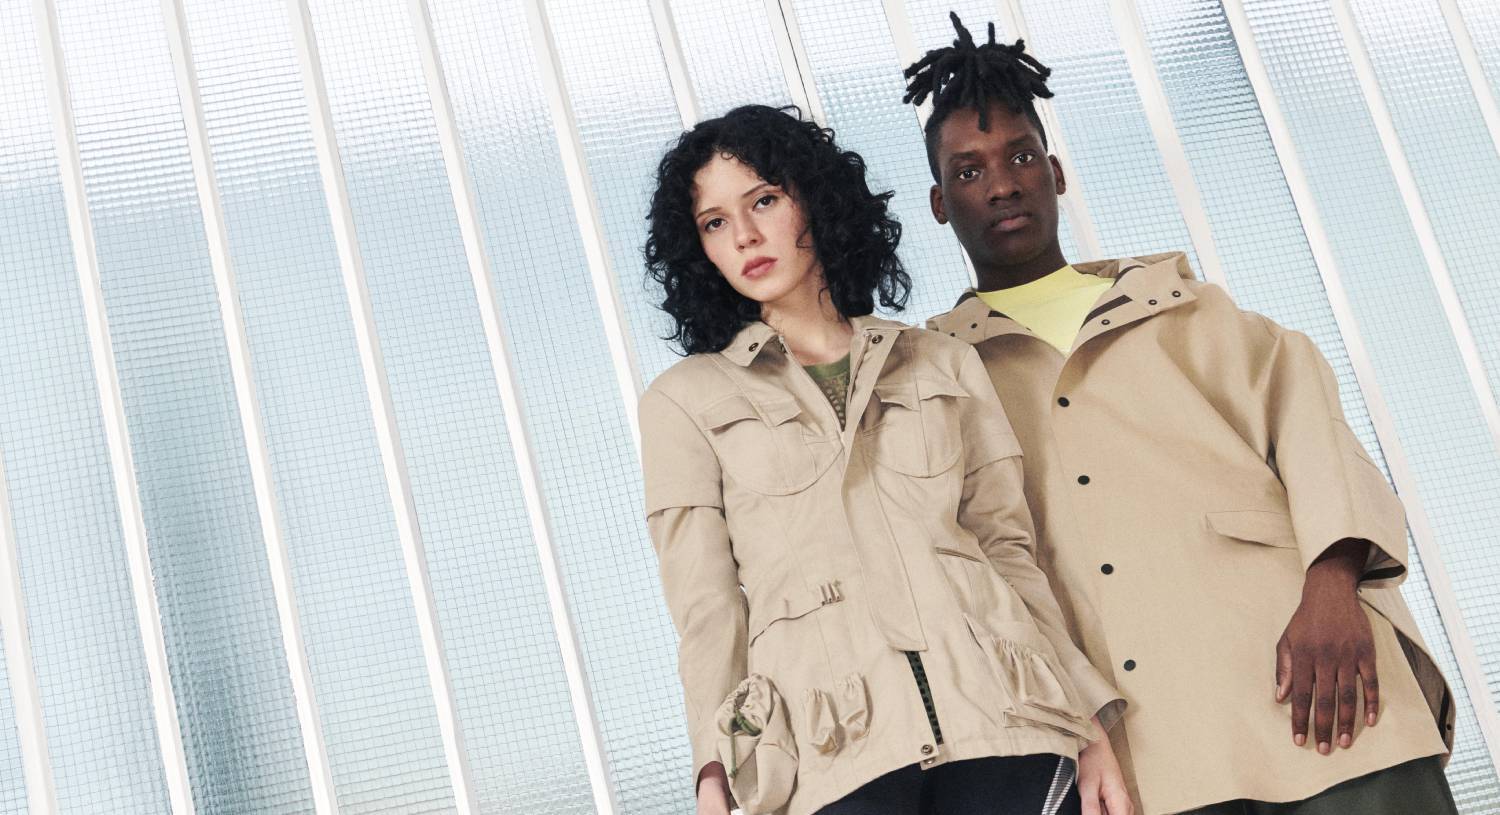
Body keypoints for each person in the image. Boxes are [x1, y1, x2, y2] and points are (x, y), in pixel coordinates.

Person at [903, 15, 1459, 815]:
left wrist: (1334, 585)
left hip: (1322, 701)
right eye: (969, 170)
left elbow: (1319, 441)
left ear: (1056, 172)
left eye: (1021, 156)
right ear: (939, 201)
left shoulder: (1200, 314)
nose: (1001, 184)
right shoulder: (936, 380)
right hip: (1153, 762)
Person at [638, 104, 1131, 815]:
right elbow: (708, 607)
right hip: (832, 755)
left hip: (1007, 729)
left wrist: (1089, 727)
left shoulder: (940, 361)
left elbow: (1008, 552)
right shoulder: (684, 400)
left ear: (815, 199)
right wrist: (713, 770)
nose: (744, 235)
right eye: (715, 222)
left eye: (764, 201)